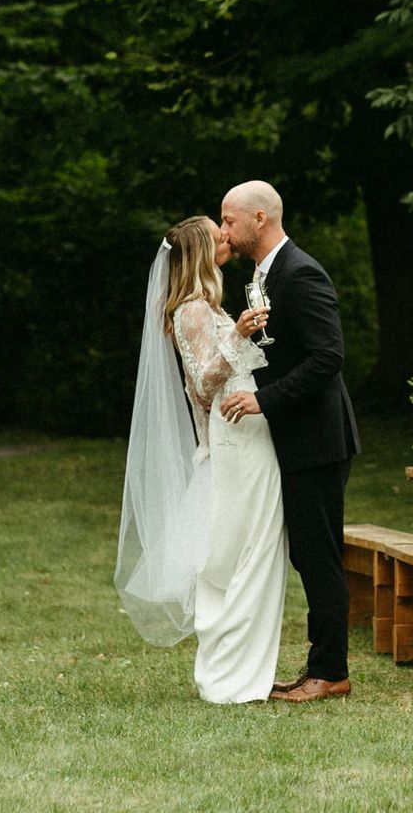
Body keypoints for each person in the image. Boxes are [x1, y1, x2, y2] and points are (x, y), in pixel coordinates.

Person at [113, 215, 285, 703]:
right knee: (239, 555)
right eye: (218, 233)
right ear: (199, 251)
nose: (227, 237)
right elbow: (204, 385)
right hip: (235, 440)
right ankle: (232, 676)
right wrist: (240, 336)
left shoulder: (207, 306)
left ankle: (241, 671)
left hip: (246, 437)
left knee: (252, 552)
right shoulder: (190, 310)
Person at [217, 180, 361, 704]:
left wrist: (265, 399)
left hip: (319, 439)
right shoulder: (264, 275)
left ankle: (331, 672)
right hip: (295, 439)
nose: (224, 231)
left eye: (230, 220)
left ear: (259, 218)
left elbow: (328, 358)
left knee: (318, 554)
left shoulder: (301, 273)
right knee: (306, 553)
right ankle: (317, 667)